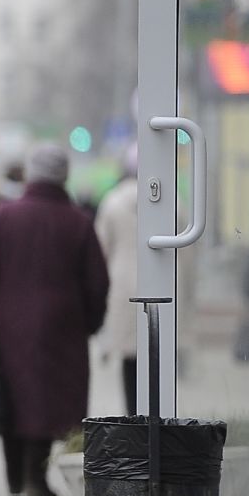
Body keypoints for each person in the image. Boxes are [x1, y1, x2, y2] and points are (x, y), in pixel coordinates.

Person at [0, 142, 109, 496]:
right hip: (63, 325)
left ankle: (16, 477)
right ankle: (35, 476)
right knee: (47, 401)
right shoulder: (78, 221)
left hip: (6, 325)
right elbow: (97, 281)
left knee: (12, 397)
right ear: (64, 176)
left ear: (31, 174)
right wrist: (88, 323)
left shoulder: (3, 216)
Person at [93, 147, 141, 414]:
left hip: (122, 284)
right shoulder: (172, 201)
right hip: (165, 287)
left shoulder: (112, 202)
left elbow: (101, 249)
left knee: (129, 356)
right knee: (157, 355)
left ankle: (132, 414)